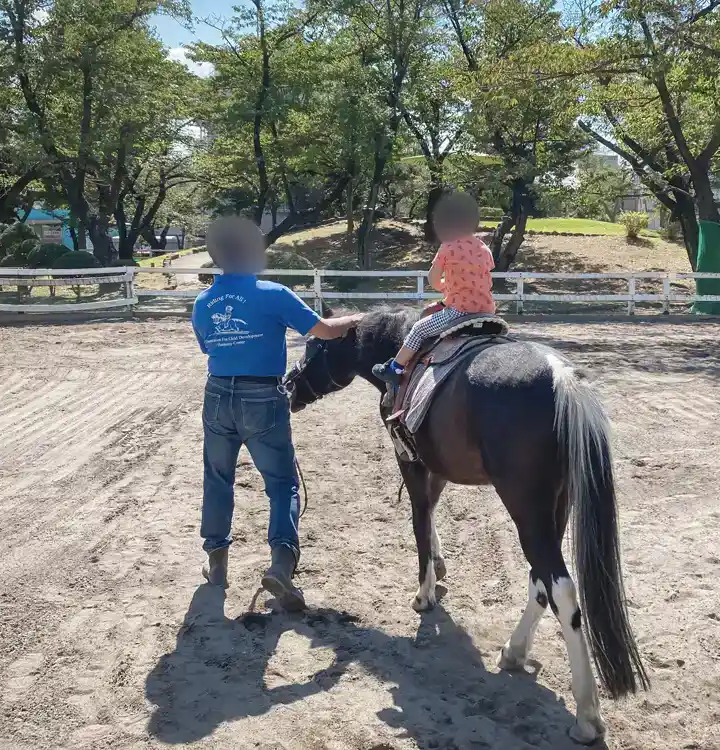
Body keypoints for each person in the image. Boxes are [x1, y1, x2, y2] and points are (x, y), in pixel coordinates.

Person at [191, 216, 361, 609]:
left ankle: (217, 564)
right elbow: (323, 330)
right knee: (282, 483)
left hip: (217, 395)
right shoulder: (273, 293)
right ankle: (281, 566)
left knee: (217, 479)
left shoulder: (202, 302)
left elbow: (207, 347)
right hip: (262, 396)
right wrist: (356, 319)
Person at [372, 192, 496, 387]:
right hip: (487, 311)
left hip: (459, 311)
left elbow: (433, 278)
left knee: (419, 329)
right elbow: (484, 280)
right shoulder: (484, 249)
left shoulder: (448, 247)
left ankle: (395, 368)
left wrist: (444, 287)